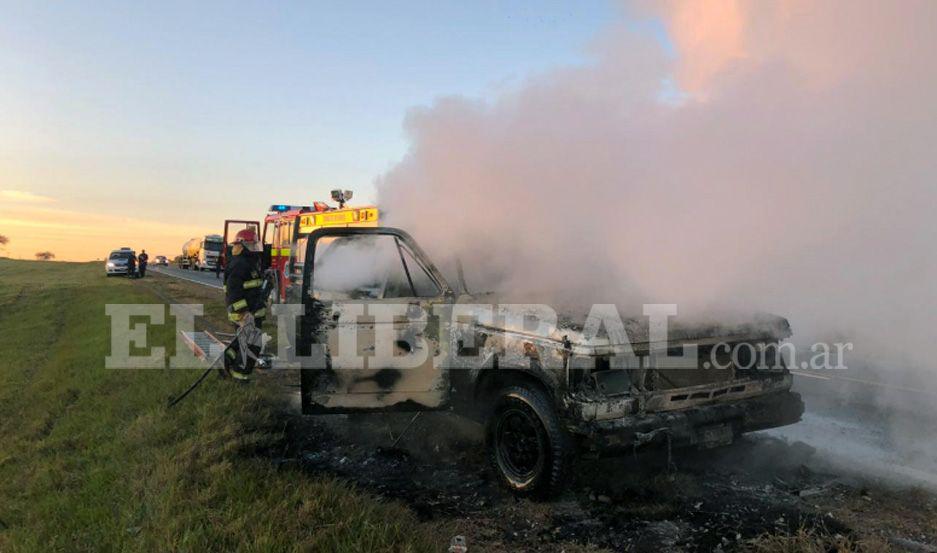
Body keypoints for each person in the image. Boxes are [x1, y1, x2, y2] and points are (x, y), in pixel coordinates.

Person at [223, 229, 266, 380]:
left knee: (243, 340)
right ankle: (240, 376)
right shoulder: (240, 264)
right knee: (252, 345)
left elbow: (252, 288)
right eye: (252, 244)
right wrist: (244, 313)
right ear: (243, 245)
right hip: (244, 313)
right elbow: (233, 292)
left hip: (250, 311)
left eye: (255, 244)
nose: (254, 247)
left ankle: (226, 360)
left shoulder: (248, 262)